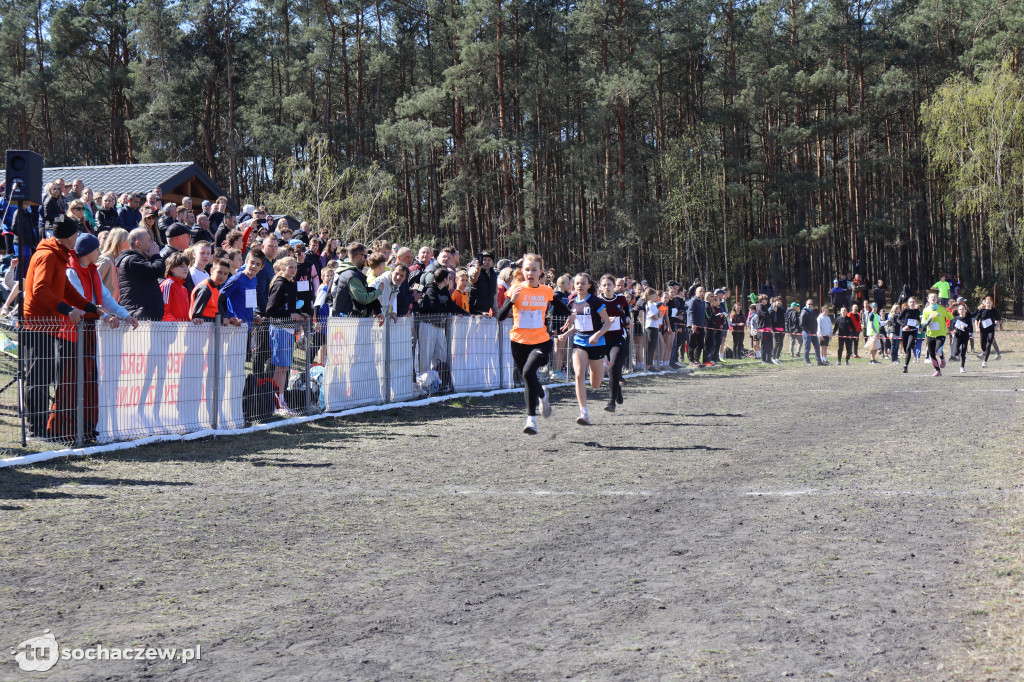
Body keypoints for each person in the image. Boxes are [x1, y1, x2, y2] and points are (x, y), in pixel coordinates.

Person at [22, 216, 102, 439]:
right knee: (38, 379)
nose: (77, 238)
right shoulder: (48, 255)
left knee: (44, 378)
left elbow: (66, 289)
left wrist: (90, 307)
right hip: (36, 326)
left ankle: (40, 427)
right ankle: (35, 429)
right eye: (75, 234)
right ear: (67, 237)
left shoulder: (59, 255)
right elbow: (40, 290)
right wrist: (67, 310)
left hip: (49, 325)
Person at [54, 233, 139, 440]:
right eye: (97, 249)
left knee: (90, 379)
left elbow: (106, 298)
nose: (100, 252)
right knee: (71, 380)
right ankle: (63, 429)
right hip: (72, 331)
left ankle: (86, 426)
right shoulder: (71, 271)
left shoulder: (92, 270)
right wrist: (106, 316)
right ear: (88, 251)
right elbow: (79, 302)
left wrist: (125, 315)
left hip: (89, 330)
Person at [496, 253, 562, 434]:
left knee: (527, 372)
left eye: (534, 269)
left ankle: (531, 420)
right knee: (528, 378)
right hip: (518, 342)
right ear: (522, 271)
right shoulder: (515, 289)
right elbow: (500, 317)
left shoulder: (546, 291)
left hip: (541, 341)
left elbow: (563, 307)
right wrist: (511, 301)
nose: (530, 273)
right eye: (527, 269)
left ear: (541, 272)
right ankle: (543, 395)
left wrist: (572, 315)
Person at [560, 272, 613, 425]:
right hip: (579, 343)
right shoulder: (572, 304)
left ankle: (602, 366)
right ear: (573, 285)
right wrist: (567, 334)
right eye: (577, 283)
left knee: (595, 384)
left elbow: (607, 323)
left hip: (597, 344)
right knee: (578, 375)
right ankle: (584, 413)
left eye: (583, 283)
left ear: (589, 285)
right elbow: (577, 327)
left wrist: (597, 335)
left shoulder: (596, 302)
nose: (580, 286)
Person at [265, 256, 308, 413]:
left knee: (284, 367)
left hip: (288, 329)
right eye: (290, 267)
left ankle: (280, 400)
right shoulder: (280, 284)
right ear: (282, 268)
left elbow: (289, 307)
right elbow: (270, 310)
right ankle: (279, 402)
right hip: (280, 328)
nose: (294, 269)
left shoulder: (291, 284)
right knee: (281, 368)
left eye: (295, 267)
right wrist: (290, 315)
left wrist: (300, 313)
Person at [116, 227, 166, 321]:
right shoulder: (132, 260)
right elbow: (157, 270)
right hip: (140, 315)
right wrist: (156, 255)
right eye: (149, 240)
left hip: (144, 315)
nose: (153, 244)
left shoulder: (137, 260)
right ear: (139, 244)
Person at [598, 274, 630, 411]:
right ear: (600, 287)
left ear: (614, 286)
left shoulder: (621, 298)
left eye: (609, 285)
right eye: (604, 285)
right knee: (614, 370)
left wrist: (627, 317)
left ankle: (611, 402)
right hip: (603, 338)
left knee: (614, 366)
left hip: (618, 337)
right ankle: (618, 392)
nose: (607, 287)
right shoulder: (597, 301)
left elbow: (626, 309)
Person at [331, 242, 381, 317]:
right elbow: (363, 298)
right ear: (358, 256)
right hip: (349, 323)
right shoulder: (351, 275)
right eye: (365, 256)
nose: (366, 260)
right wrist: (379, 290)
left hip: (345, 319)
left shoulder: (344, 271)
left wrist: (377, 311)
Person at [190, 258, 238, 324]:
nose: (222, 276)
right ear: (211, 271)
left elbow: (213, 314)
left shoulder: (215, 288)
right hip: (199, 331)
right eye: (219, 272)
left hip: (208, 331)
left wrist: (228, 320)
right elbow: (196, 318)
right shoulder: (205, 289)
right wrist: (221, 321)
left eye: (225, 274)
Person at [921, 292, 952, 377]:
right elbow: (923, 323)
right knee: (931, 355)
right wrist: (929, 319)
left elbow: (951, 317)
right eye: (931, 297)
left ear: (937, 299)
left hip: (941, 334)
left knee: (938, 350)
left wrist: (950, 311)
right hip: (930, 335)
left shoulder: (941, 309)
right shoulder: (926, 310)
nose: (933, 298)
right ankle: (937, 371)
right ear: (928, 299)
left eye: (934, 297)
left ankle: (942, 358)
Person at [96, 228, 129, 301]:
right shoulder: (105, 261)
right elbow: (91, 284)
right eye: (128, 240)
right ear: (119, 242)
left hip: (112, 308)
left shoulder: (117, 261)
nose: (130, 244)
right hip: (101, 309)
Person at [160, 253, 192, 322]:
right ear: (171, 269)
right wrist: (177, 325)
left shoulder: (184, 289)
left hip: (181, 329)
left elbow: (186, 314)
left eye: (187, 266)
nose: (186, 269)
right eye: (181, 266)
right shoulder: (168, 284)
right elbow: (164, 311)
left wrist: (190, 322)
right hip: (169, 329)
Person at [468, 250, 498, 315]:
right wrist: (477, 271)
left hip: (485, 312)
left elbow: (494, 295)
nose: (486, 262)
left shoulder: (494, 275)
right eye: (484, 259)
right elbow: (473, 278)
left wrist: (497, 313)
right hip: (472, 311)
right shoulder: (474, 269)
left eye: (489, 260)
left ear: (493, 262)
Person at [898, 297, 922, 373]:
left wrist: (920, 326)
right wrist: (903, 325)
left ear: (915, 303)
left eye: (913, 302)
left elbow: (918, 319)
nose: (912, 303)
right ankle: (911, 345)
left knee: (908, 348)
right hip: (905, 331)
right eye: (910, 302)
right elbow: (898, 319)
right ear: (908, 303)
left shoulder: (917, 311)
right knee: (905, 349)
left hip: (913, 331)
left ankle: (905, 366)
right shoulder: (906, 310)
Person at [975, 295, 1001, 367]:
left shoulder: (994, 310)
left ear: (992, 303)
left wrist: (996, 324)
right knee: (983, 346)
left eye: (990, 302)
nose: (988, 304)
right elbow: (976, 320)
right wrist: (977, 328)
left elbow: (998, 319)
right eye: (987, 302)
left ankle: (985, 362)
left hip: (991, 330)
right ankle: (984, 352)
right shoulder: (982, 310)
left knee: (989, 344)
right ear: (985, 303)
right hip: (983, 330)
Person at [800, 299, 825, 365]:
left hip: (814, 332)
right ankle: (807, 362)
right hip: (807, 332)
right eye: (809, 304)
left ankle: (819, 361)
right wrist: (807, 331)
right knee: (807, 347)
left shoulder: (813, 312)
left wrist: (815, 330)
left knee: (817, 346)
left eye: (812, 304)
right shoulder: (804, 312)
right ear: (806, 304)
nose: (810, 305)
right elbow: (801, 324)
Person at [950, 302, 973, 373]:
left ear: (966, 310)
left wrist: (965, 328)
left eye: (963, 309)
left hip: (965, 337)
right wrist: (953, 331)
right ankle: (958, 353)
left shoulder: (968, 319)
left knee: (963, 352)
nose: (961, 311)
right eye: (960, 309)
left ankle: (962, 367)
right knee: (956, 352)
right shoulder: (956, 318)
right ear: (958, 310)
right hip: (958, 337)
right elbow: (951, 327)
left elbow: (971, 330)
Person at [643, 288, 662, 370]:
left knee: (653, 345)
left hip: (655, 326)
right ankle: (648, 363)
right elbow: (653, 316)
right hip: (650, 326)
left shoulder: (654, 305)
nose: (656, 298)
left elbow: (659, 315)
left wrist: (658, 315)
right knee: (651, 345)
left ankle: (650, 363)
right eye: (654, 296)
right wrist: (658, 316)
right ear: (650, 296)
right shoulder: (648, 305)